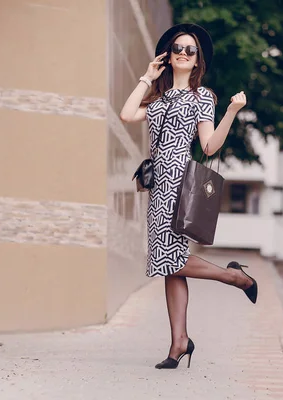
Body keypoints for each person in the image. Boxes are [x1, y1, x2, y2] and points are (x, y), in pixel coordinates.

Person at [119, 24, 258, 370]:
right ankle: (179, 342)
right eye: (177, 48)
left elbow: (209, 145)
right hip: (156, 186)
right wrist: (147, 77)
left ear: (197, 61)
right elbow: (126, 114)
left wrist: (231, 112)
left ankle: (236, 277)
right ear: (168, 54)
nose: (183, 52)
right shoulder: (156, 97)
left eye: (190, 50)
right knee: (169, 264)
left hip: (181, 182)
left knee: (170, 259)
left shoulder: (203, 98)